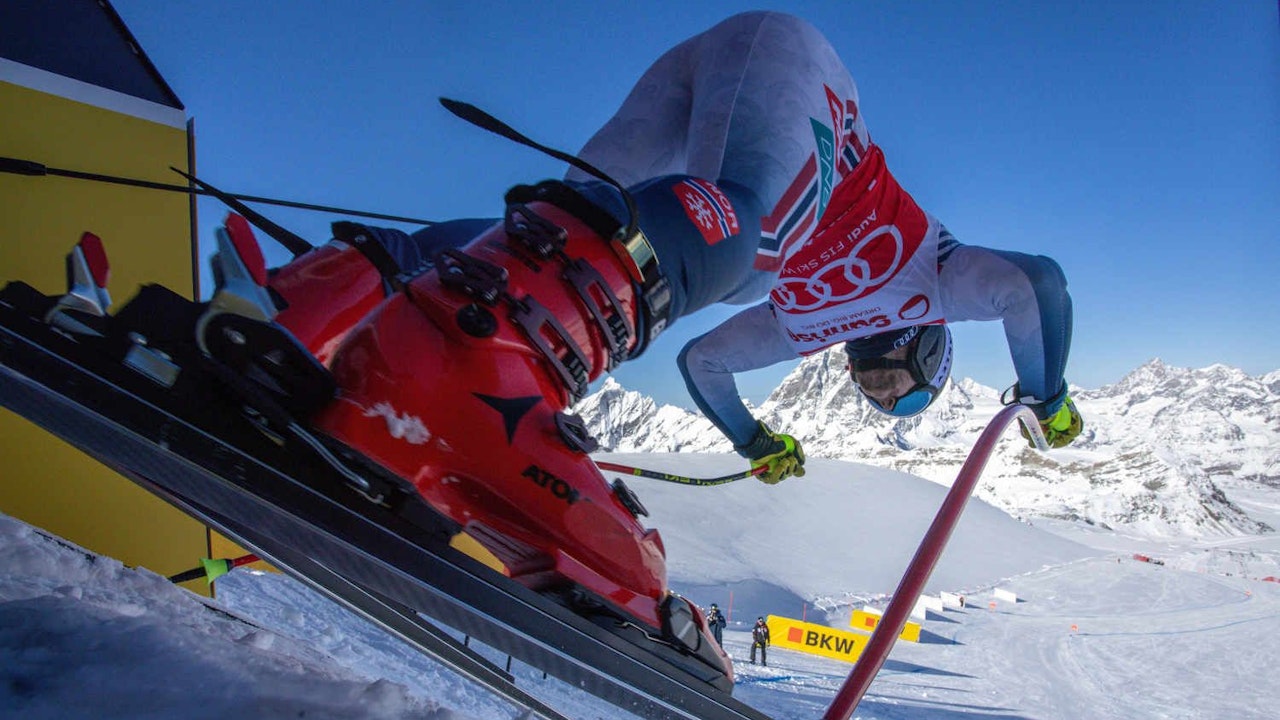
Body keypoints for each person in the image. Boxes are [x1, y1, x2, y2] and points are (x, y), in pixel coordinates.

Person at [564, 11, 1082, 484]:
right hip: (794, 78)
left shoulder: (802, 330)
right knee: (746, 268)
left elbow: (702, 363)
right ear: (930, 357)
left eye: (880, 402)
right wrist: (1044, 395)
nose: (884, 398)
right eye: (904, 398)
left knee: (570, 224)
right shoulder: (936, 283)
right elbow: (1032, 286)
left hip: (714, 84)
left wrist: (755, 442)